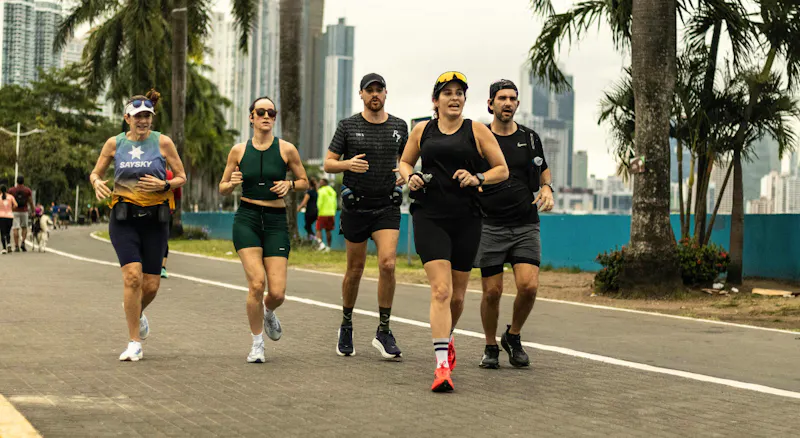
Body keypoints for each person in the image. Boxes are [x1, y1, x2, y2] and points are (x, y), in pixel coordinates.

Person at [398, 71, 508, 392]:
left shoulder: (476, 130)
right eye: (447, 93)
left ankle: (446, 338)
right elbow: (405, 163)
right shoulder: (422, 130)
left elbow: (501, 169)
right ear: (436, 101)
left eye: (460, 93)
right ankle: (442, 366)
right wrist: (410, 177)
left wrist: (478, 179)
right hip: (429, 215)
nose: (455, 97)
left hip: (467, 218)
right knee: (441, 292)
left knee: (458, 297)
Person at [89, 89, 187, 361]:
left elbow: (182, 177)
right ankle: (134, 342)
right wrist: (96, 181)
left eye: (147, 116)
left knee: (151, 285)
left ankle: (138, 312)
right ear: (127, 118)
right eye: (138, 116)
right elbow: (96, 173)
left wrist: (165, 184)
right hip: (124, 219)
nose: (143, 121)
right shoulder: (114, 143)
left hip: (156, 219)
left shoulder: (163, 142)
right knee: (132, 276)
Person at [322, 73, 409, 358]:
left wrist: (405, 175)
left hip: (386, 206)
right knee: (355, 270)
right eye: (369, 90)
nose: (375, 94)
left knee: (387, 264)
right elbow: (328, 164)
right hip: (356, 207)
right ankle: (346, 324)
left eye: (379, 90)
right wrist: (348, 163)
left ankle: (383, 330)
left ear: (386, 93)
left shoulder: (399, 126)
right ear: (361, 94)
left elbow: (408, 159)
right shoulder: (347, 126)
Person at [219, 96, 309, 363]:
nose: (266, 116)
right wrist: (231, 183)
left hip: (275, 221)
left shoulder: (286, 149)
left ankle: (268, 312)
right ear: (251, 118)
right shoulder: (237, 151)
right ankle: (257, 343)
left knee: (277, 292)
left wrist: (290, 186)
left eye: (271, 112)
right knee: (257, 283)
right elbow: (222, 188)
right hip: (247, 218)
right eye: (261, 112)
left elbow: (304, 180)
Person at [474, 80, 555, 369]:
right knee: (492, 292)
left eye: (512, 98)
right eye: (501, 98)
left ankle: (513, 335)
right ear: (490, 103)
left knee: (529, 287)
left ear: (517, 104)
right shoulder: (479, 138)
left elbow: (543, 169)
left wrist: (547, 188)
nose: (507, 103)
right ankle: (490, 345)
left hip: (525, 224)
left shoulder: (530, 138)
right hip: (490, 225)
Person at [8, 176, 34, 252]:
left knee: (15, 228)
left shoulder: (11, 190)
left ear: (16, 181)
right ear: (23, 181)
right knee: (24, 227)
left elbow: (9, 201)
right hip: (24, 211)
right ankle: (23, 242)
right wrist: (33, 211)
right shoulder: (27, 190)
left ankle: (16, 246)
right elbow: (30, 201)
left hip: (14, 211)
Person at [160, 168, 178, 279]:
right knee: (164, 238)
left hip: (149, 209)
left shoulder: (147, 171)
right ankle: (162, 267)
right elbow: (178, 195)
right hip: (167, 209)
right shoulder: (172, 174)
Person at [316, 178, 337, 248]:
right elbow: (335, 203)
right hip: (331, 213)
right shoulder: (333, 191)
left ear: (325, 183)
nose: (320, 183)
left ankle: (321, 245)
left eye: (321, 182)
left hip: (322, 213)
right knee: (328, 230)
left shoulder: (321, 191)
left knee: (318, 229)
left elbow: (320, 203)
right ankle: (328, 246)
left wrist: (317, 209)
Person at [297, 176, 318, 242]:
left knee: (307, 227)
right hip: (316, 211)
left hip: (310, 212)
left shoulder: (309, 192)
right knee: (308, 226)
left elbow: (304, 202)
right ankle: (310, 241)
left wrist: (298, 208)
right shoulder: (316, 192)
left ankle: (315, 240)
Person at [0, 185, 17, 254]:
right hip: (9, 216)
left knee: (2, 232)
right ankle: (9, 244)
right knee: (8, 232)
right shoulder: (10, 197)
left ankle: (4, 248)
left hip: (1, 216)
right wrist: (11, 209)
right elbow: (16, 205)